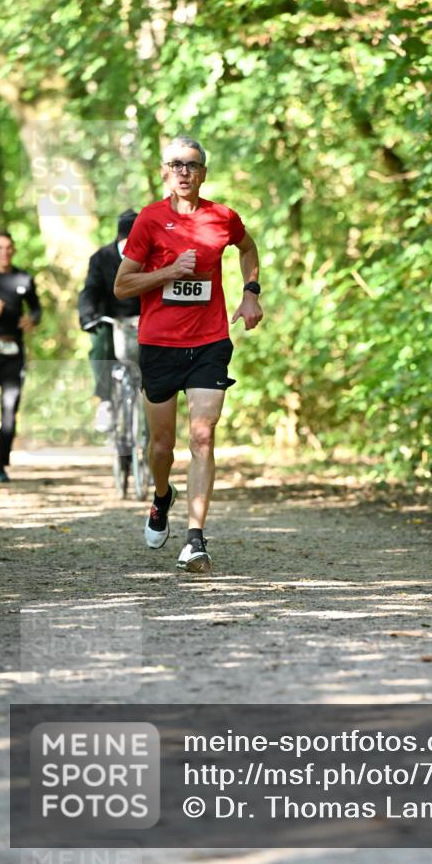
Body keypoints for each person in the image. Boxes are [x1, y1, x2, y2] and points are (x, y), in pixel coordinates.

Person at [114, 135, 263, 573]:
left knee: (203, 435)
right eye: (176, 164)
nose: (184, 171)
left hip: (209, 341)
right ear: (165, 172)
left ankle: (195, 539)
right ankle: (162, 496)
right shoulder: (149, 220)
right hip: (160, 344)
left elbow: (248, 247)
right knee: (162, 446)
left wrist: (250, 293)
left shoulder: (223, 217)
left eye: (192, 165)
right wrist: (168, 272)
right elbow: (122, 285)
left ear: (203, 173)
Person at [78, 210, 141, 432]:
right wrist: (88, 315)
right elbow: (90, 290)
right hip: (111, 319)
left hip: (143, 319)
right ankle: (105, 400)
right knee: (100, 343)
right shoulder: (101, 258)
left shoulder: (151, 257)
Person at [0, 231, 42, 483]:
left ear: (14, 250)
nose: (4, 252)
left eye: (8, 247)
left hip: (13, 354)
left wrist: (32, 319)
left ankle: (1, 465)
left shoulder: (23, 278)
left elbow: (36, 308)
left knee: (10, 410)